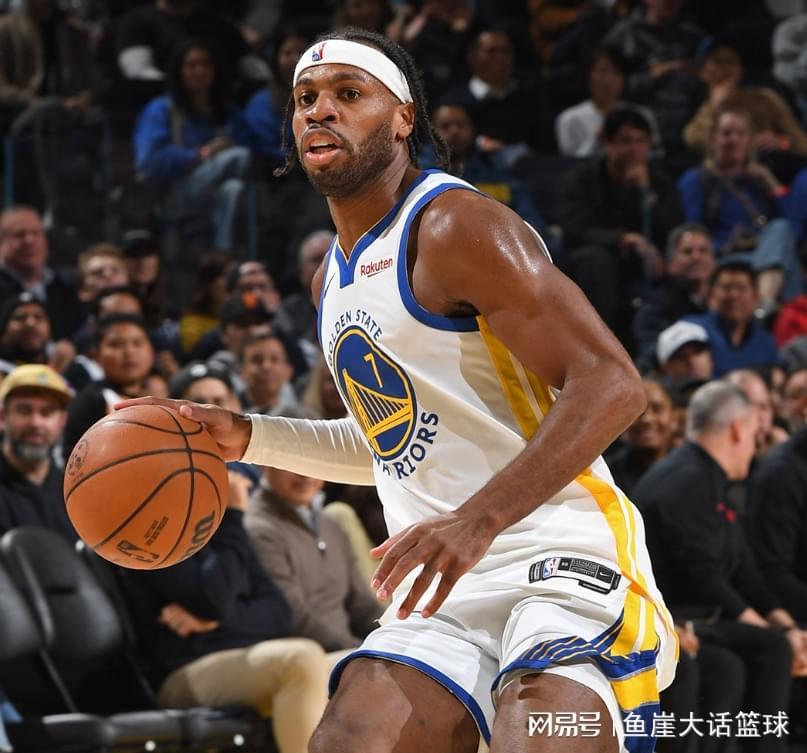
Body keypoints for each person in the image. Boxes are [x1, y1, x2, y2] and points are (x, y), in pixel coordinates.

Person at [118, 28, 677, 753]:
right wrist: (248, 435)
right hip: (445, 583)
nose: (320, 111)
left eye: (349, 94)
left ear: (404, 117)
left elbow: (612, 384)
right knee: (347, 737)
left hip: (561, 555)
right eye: (305, 99)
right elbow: (395, 444)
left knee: (535, 731)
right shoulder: (330, 278)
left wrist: (476, 519)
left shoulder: (455, 225)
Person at [632, 381, 807, 753]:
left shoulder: (709, 477)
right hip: (671, 618)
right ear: (738, 430)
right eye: (755, 435)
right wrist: (768, 629)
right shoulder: (685, 478)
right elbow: (701, 574)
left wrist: (784, 622)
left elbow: (744, 568)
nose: (757, 446)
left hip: (703, 615)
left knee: (756, 651)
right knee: (769, 649)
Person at [557, 105, 683, 339]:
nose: (634, 149)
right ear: (609, 144)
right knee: (595, 261)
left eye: (641, 141)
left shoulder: (660, 182)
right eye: (626, 141)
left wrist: (646, 193)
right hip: (602, 258)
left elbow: (674, 228)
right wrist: (624, 239)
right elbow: (574, 230)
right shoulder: (581, 180)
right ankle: (597, 340)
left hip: (650, 259)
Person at [133, 39, 253, 251]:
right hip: (174, 194)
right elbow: (149, 163)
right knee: (238, 156)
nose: (200, 71)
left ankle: (222, 254)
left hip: (219, 190)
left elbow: (253, 150)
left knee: (233, 188)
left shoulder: (229, 112)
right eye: (192, 65)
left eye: (205, 64)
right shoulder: (161, 110)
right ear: (179, 71)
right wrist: (202, 154)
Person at [678, 105, 801, 310]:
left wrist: (770, 182)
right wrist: (727, 244)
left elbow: (792, 230)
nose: (733, 140)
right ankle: (772, 312)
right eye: (726, 133)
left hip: (766, 252)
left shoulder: (758, 180)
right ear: (714, 139)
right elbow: (694, 231)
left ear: (749, 141)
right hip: (728, 257)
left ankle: (766, 307)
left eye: (740, 134)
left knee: (781, 231)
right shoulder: (697, 179)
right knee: (787, 265)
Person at [0, 364, 75, 540]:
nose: (35, 423)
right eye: (24, 410)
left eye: (47, 412)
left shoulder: (75, 492)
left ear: (62, 420)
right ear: (3, 416)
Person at [632, 222, 716, 368]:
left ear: (714, 260)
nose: (696, 257)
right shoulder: (654, 309)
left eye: (703, 251)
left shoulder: (726, 302)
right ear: (670, 264)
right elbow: (650, 358)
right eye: (687, 252)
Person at [684, 259, 778, 377]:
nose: (733, 295)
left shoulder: (766, 342)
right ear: (711, 294)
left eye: (741, 288)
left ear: (756, 297)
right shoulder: (692, 331)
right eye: (726, 288)